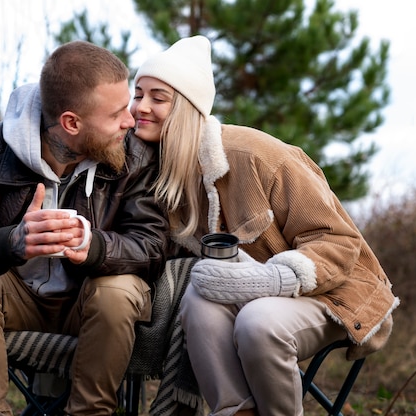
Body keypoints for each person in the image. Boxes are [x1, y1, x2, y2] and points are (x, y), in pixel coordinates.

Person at [131, 35, 399, 416]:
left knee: (258, 322)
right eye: (137, 94)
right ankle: (237, 411)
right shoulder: (156, 171)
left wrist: (275, 280)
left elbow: (338, 242)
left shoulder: (256, 155)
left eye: (158, 98)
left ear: (190, 109)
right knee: (197, 300)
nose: (140, 107)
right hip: (252, 298)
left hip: (330, 293)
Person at [0, 40, 169, 416]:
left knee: (118, 291)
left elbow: (153, 245)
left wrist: (95, 247)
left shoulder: (135, 156)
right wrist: (8, 243)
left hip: (90, 301)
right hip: (14, 300)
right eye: (117, 113)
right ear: (72, 123)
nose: (131, 120)